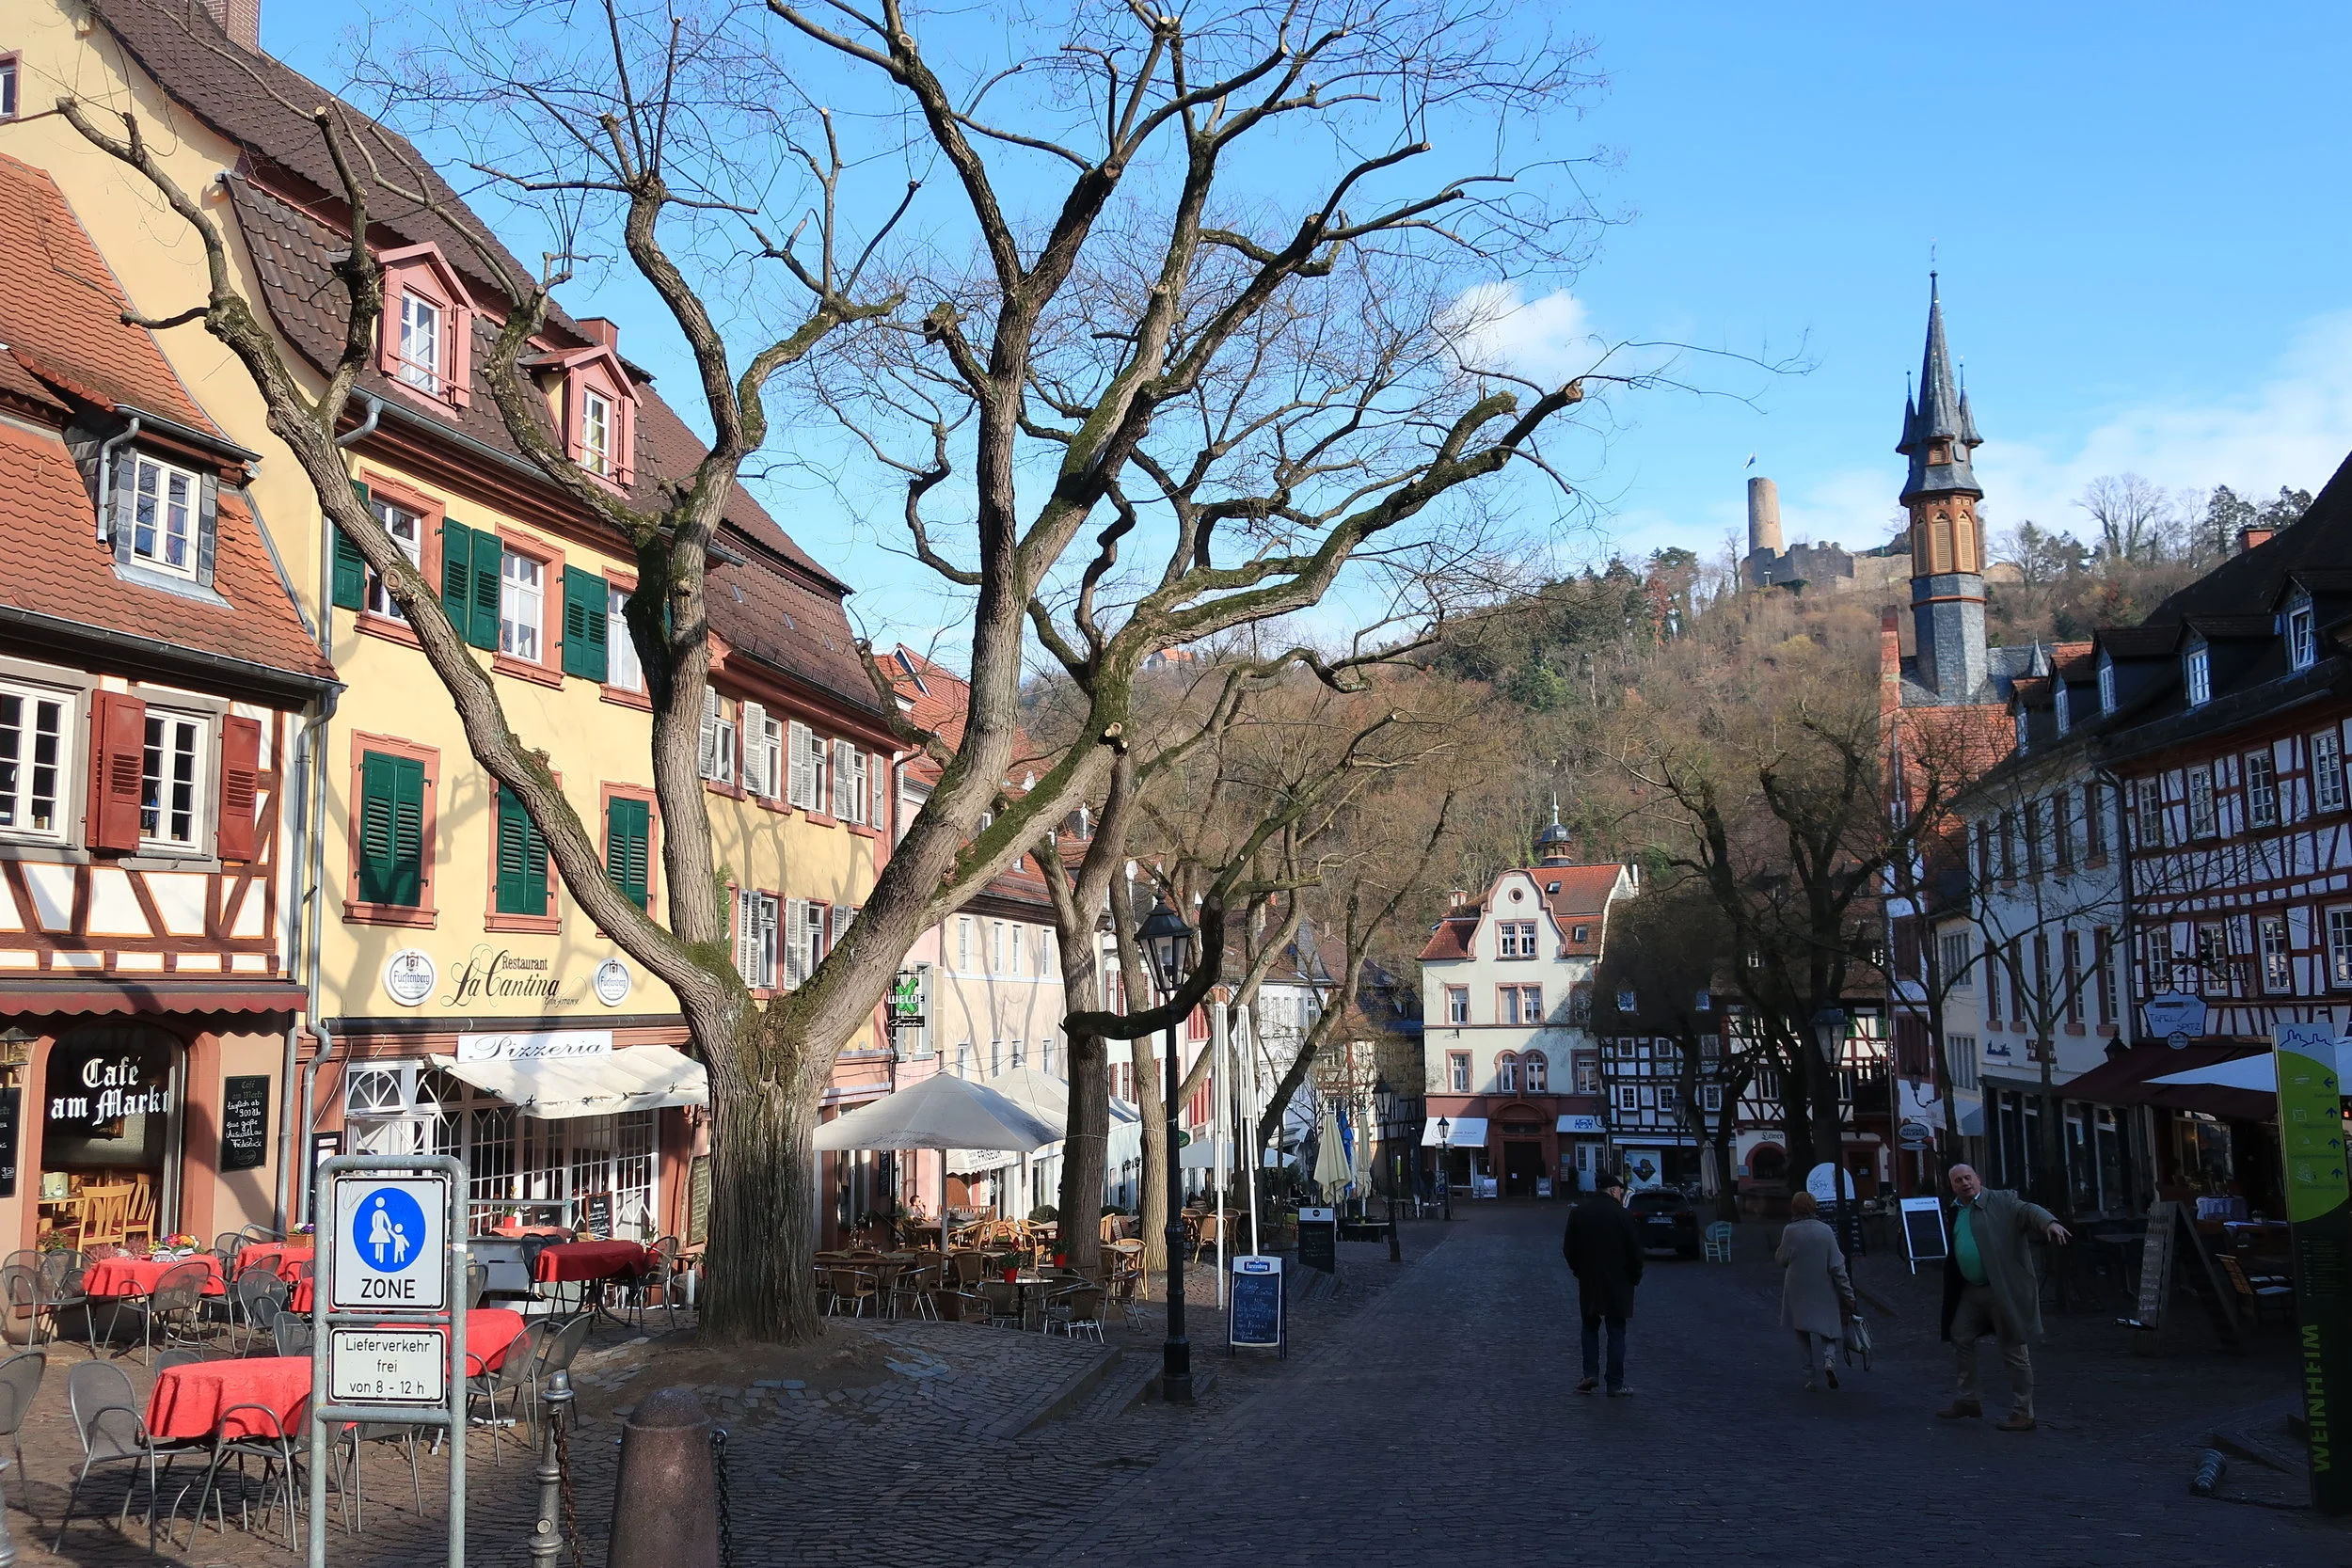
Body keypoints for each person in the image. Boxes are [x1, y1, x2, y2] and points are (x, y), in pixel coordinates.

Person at [1939, 1163, 2070, 1432]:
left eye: (1968, 1178)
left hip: (2001, 1290)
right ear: (1951, 1185)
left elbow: (2028, 1210)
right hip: (1970, 1290)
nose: (1964, 1183)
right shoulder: (1957, 1209)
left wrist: (2051, 1222)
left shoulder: (2002, 1201)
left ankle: (2024, 1411)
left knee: (2014, 1349)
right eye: (1957, 1180)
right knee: (1959, 1335)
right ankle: (1968, 1399)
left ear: (1978, 1178)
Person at [1563, 1173, 1645, 1396]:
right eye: (1619, 1190)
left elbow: (1569, 1249)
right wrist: (1634, 1276)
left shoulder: (1579, 1213)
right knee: (1616, 1331)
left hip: (1589, 1280)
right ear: (1613, 1190)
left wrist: (1578, 1270)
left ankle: (1590, 1373)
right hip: (1619, 1281)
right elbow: (1636, 1252)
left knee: (1589, 1327)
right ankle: (1615, 1383)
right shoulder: (1623, 1215)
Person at [1776, 1191, 1855, 1392]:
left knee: (1801, 1331)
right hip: (1823, 1284)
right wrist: (1848, 1294)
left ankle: (1810, 1376)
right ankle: (1829, 1361)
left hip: (1798, 1287)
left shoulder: (1790, 1231)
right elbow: (1837, 1266)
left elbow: (1781, 1259)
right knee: (1828, 1328)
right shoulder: (1825, 1231)